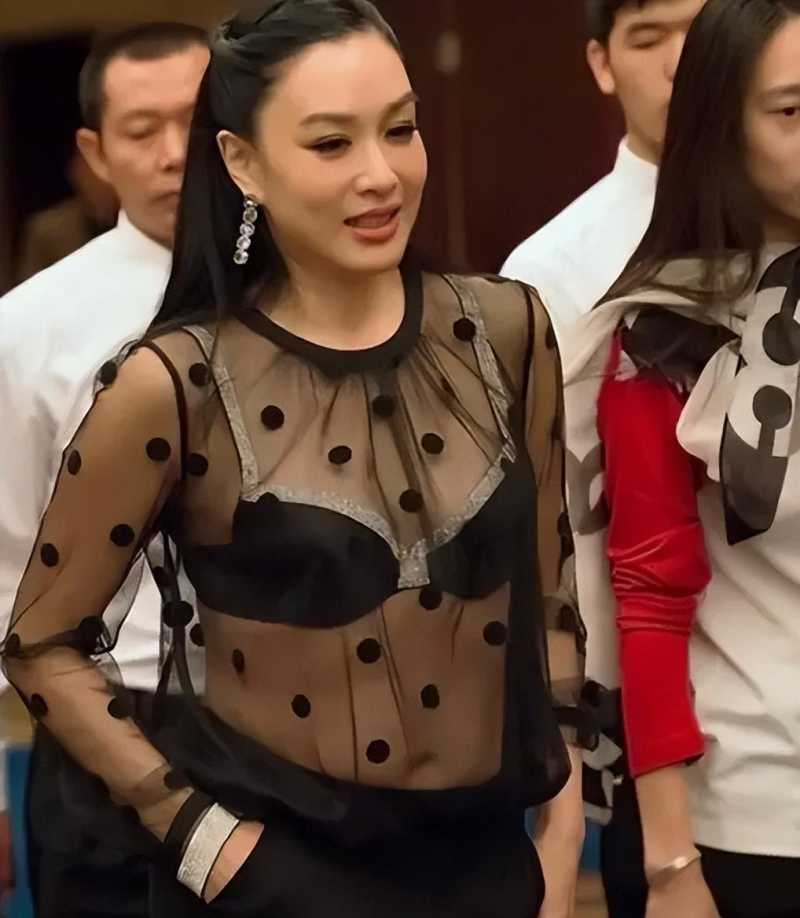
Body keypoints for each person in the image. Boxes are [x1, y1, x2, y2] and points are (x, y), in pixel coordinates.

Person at [0, 2, 591, 916]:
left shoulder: (506, 331)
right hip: (278, 879)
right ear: (243, 163)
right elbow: (40, 642)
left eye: (401, 129)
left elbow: (549, 591)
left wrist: (559, 824)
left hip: (486, 866)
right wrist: (210, 847)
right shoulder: (177, 382)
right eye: (330, 144)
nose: (380, 174)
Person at [565, 1, 800, 916]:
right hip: (756, 814)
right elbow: (649, 600)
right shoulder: (665, 328)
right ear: (724, 132)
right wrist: (671, 865)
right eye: (791, 111)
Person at [0, 22, 210, 918]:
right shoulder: (32, 326)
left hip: (309, 731)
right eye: (141, 129)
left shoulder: (323, 289)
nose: (174, 154)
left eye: (195, 120)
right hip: (106, 725)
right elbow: (5, 562)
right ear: (95, 153)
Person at [502, 0, 704, 337]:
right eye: (648, 41)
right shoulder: (547, 274)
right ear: (603, 64)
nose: (681, 64)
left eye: (704, 33)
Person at [15, 148, 118, 285]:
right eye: (89, 172)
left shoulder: (139, 225)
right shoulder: (47, 231)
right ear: (75, 174)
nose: (99, 181)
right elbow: (29, 291)